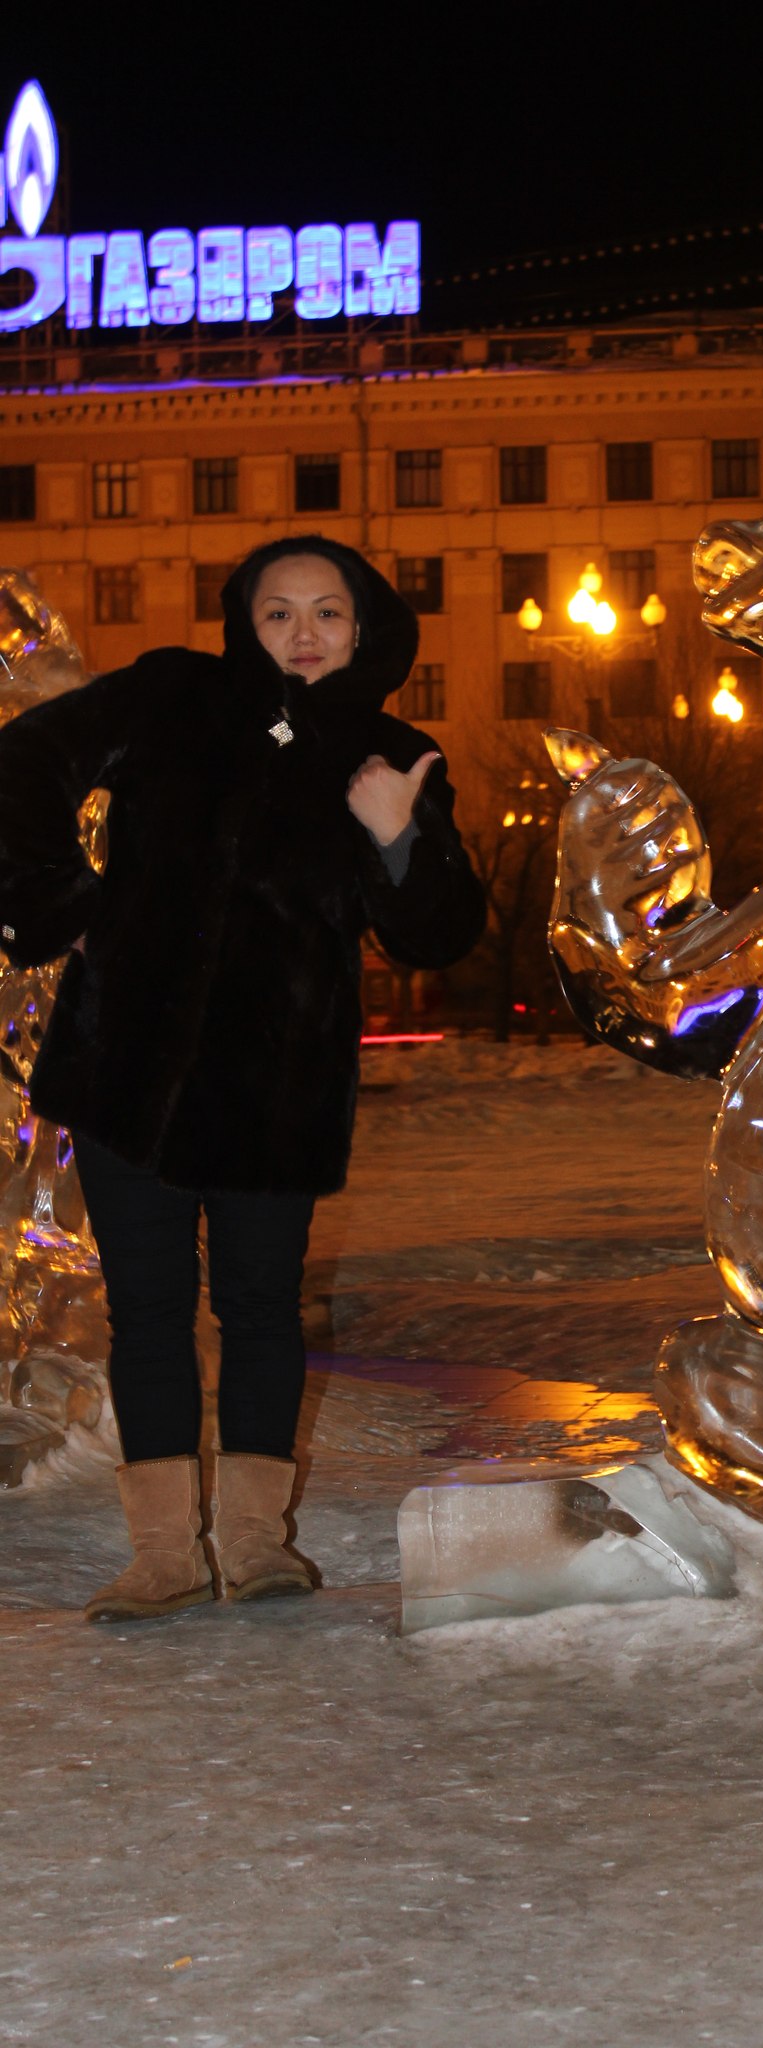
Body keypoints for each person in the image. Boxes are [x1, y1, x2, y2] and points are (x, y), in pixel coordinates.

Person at [0, 537, 485, 1622]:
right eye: (278, 612)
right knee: (148, 1316)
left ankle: (257, 1543)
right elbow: (22, 761)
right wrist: (63, 904)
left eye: (328, 612)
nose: (303, 633)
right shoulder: (173, 695)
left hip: (277, 1087)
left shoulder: (390, 755)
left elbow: (441, 934)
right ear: (243, 621)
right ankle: (164, 1554)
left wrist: (397, 839)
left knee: (263, 1310)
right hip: (129, 1071)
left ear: (363, 629)